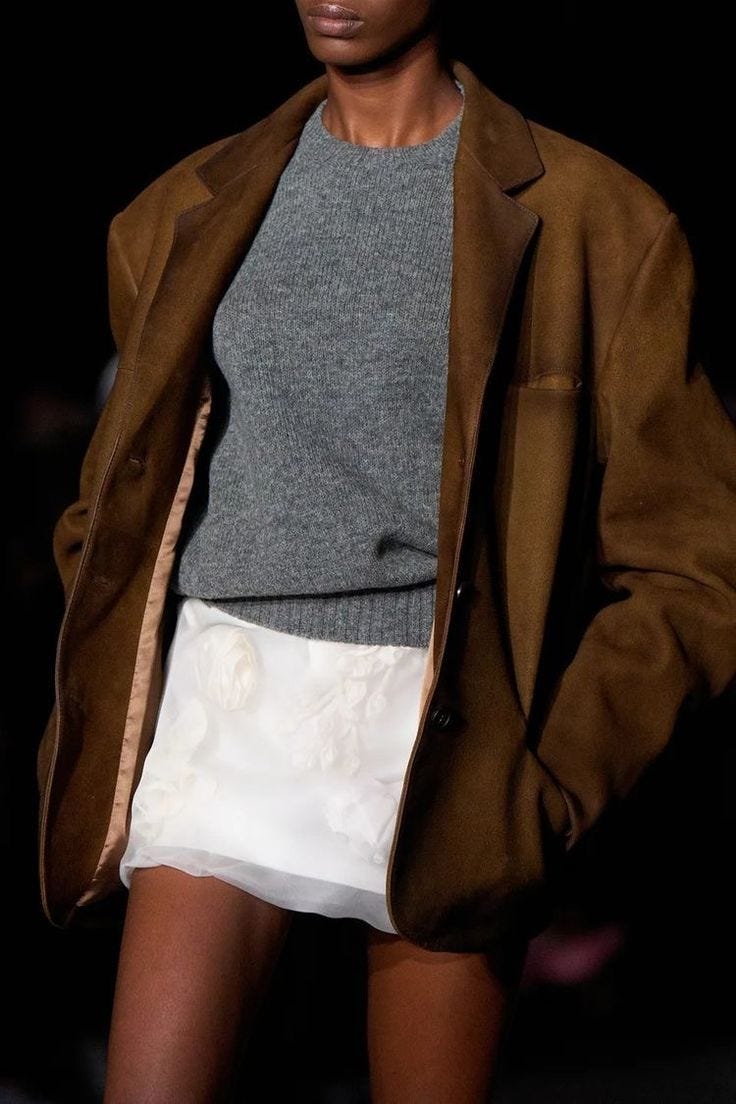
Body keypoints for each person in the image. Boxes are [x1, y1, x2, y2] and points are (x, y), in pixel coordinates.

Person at [36, 1, 736, 1101]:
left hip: (439, 737)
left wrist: (551, 778)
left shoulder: (597, 220)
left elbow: (695, 559)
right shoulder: (183, 206)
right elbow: (112, 494)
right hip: (225, 704)